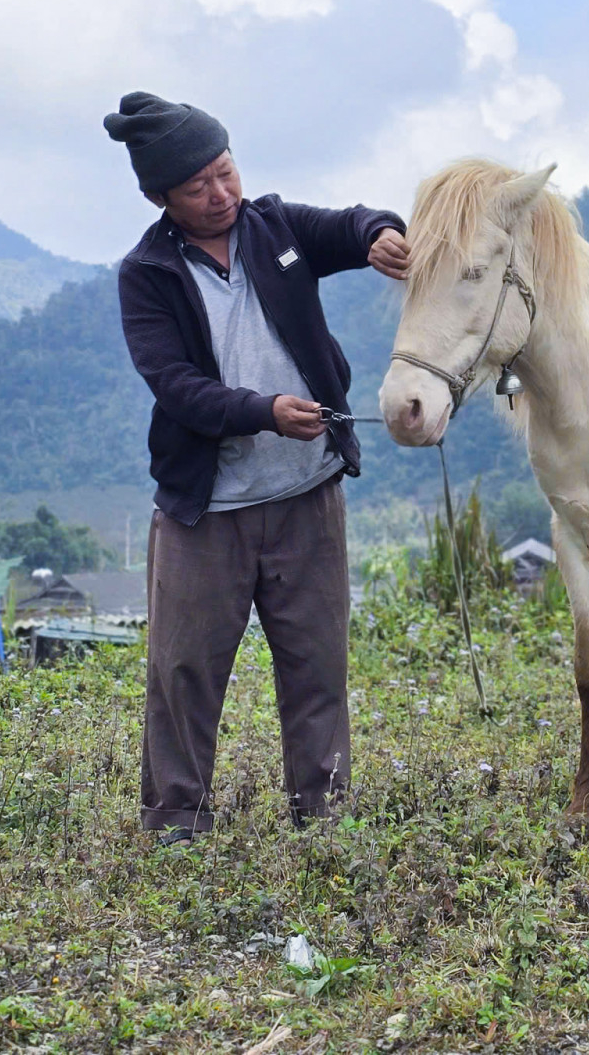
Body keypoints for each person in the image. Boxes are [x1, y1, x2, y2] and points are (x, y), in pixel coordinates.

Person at [106, 91, 409, 846]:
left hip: (307, 497)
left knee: (317, 665)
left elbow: (350, 225)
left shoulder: (276, 227)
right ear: (159, 198)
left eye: (225, 171)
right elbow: (176, 386)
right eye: (197, 186)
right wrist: (264, 410)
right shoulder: (147, 273)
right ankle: (176, 825)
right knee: (184, 672)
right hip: (207, 511)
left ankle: (324, 818)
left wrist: (381, 234)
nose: (220, 194)